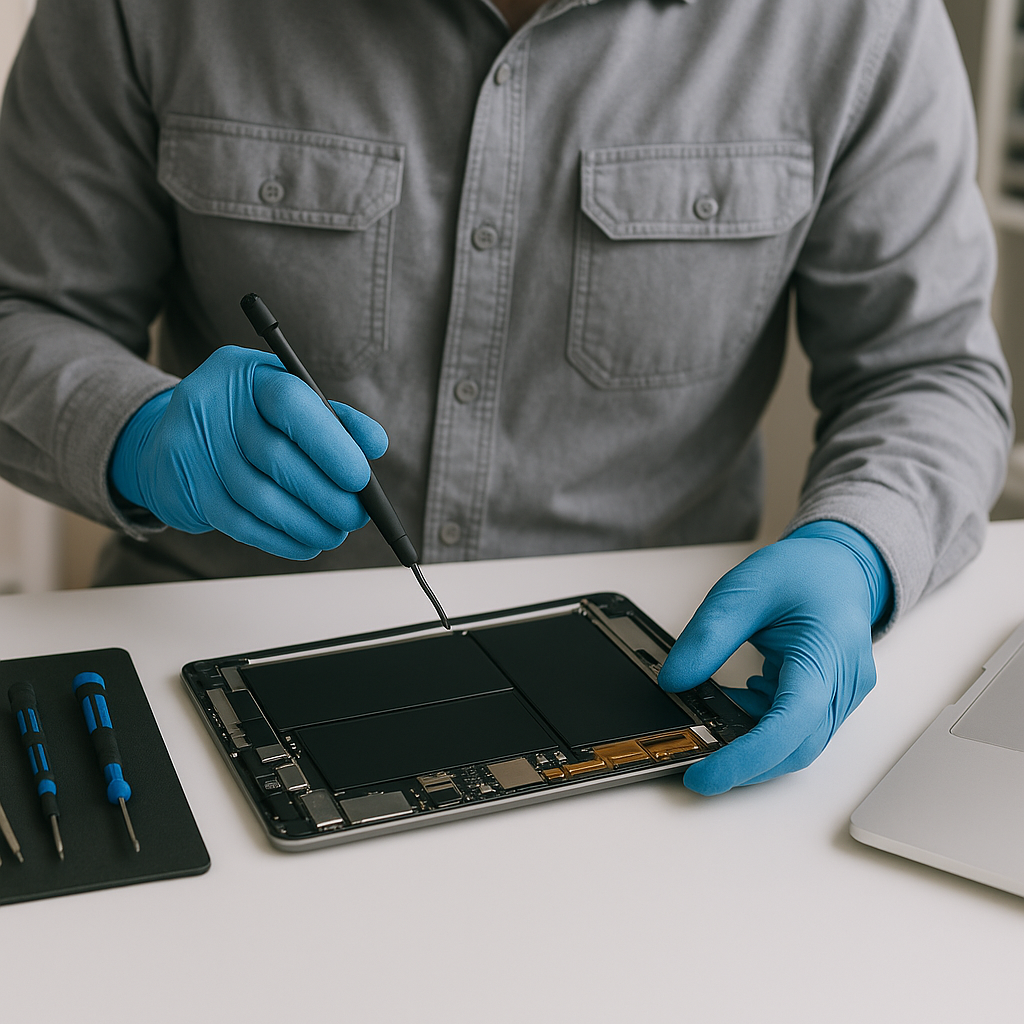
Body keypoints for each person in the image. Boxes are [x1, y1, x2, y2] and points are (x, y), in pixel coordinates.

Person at [0, 0, 1012, 794]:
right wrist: (134, 429)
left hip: (650, 694)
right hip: (196, 672)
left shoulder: (857, 16)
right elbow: (21, 306)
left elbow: (928, 370)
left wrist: (857, 551)